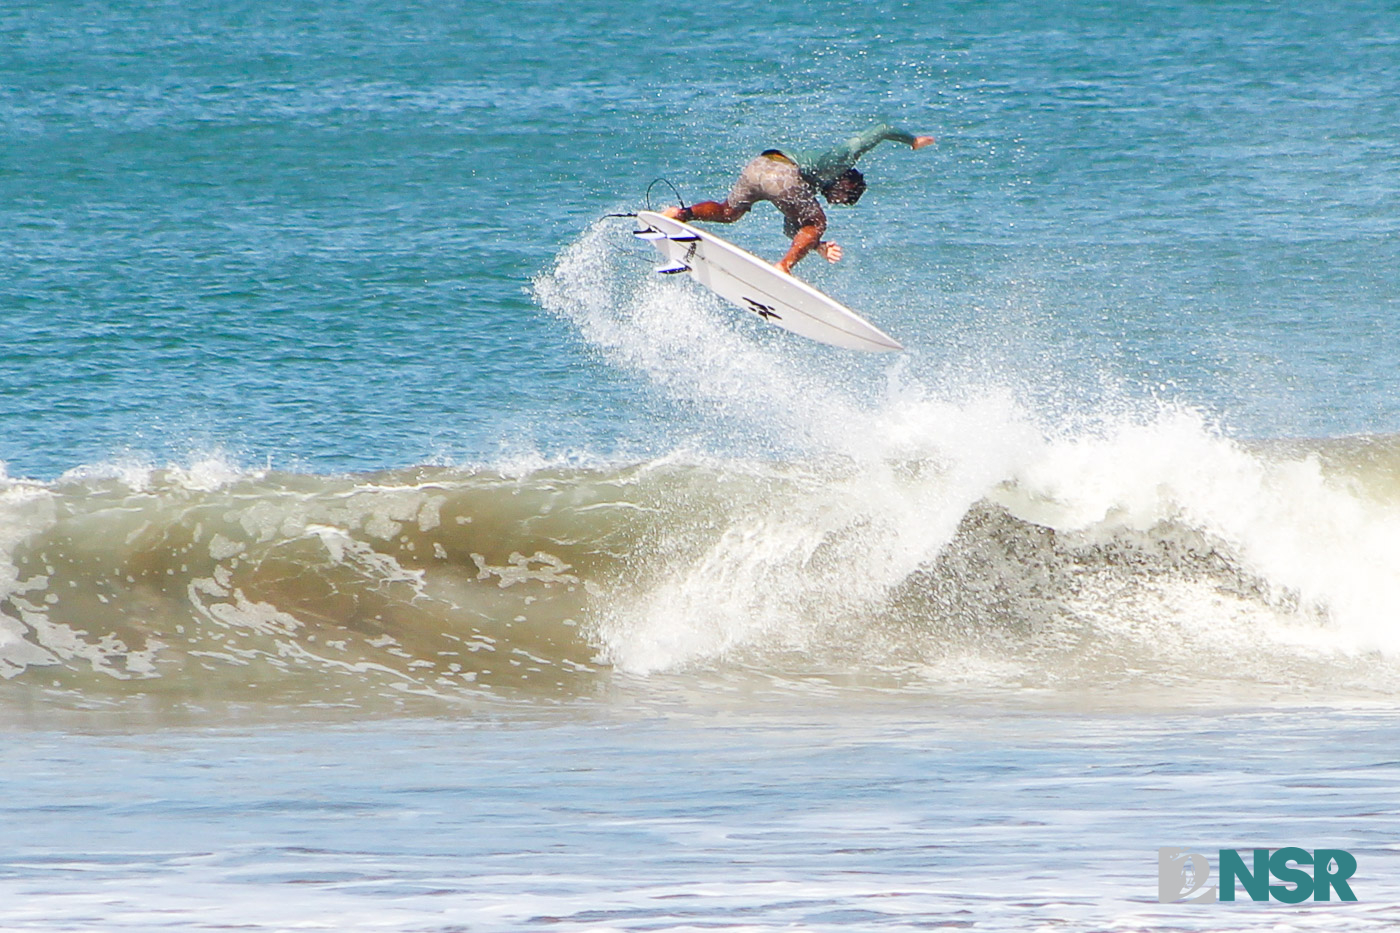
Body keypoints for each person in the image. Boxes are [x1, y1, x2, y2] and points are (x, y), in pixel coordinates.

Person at [662, 123, 936, 274]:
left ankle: (681, 214)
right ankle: (784, 266)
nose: (833, 201)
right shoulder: (839, 160)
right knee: (817, 221)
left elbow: (790, 228)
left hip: (758, 165)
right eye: (842, 198)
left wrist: (816, 246)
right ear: (844, 182)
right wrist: (912, 140)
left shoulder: (810, 184)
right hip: (784, 173)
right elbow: (881, 129)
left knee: (728, 212)